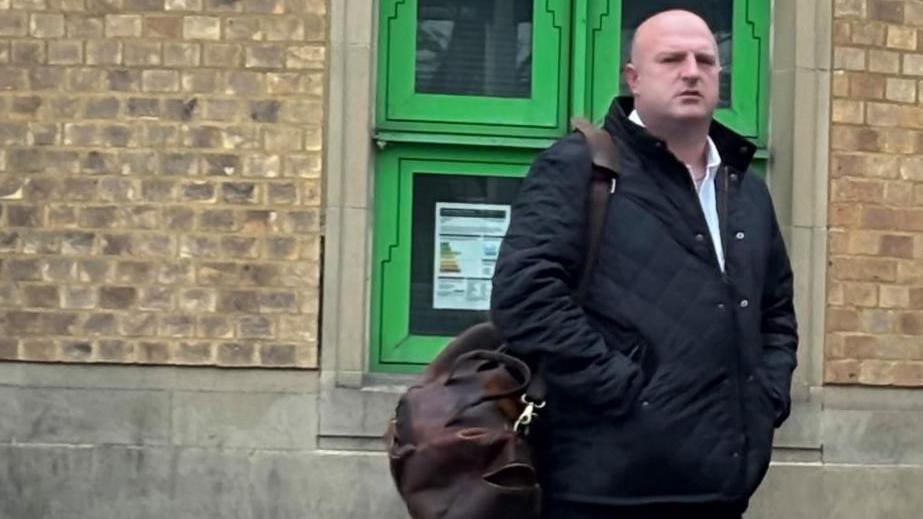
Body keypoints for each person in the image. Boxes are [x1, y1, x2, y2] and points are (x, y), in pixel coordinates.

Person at [490, 9, 798, 519]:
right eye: (672, 60)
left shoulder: (744, 188)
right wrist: (623, 390)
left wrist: (766, 399)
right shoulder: (578, 168)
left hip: (722, 489)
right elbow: (525, 298)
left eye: (705, 60)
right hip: (603, 491)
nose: (692, 72)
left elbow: (775, 311)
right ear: (633, 78)